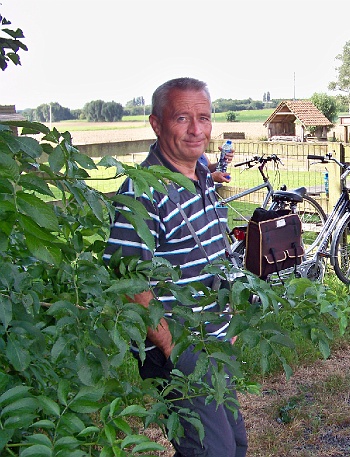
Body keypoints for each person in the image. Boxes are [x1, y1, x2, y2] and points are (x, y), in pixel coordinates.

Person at [103, 77, 247, 457]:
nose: (196, 129)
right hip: (185, 349)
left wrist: (230, 323)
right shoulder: (144, 191)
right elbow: (127, 276)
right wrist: (172, 347)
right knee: (211, 451)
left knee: (235, 445)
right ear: (156, 124)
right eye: (182, 118)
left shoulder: (202, 176)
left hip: (218, 343)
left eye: (204, 117)